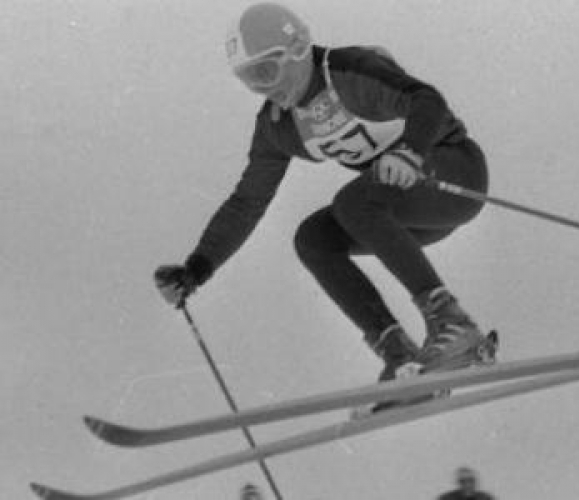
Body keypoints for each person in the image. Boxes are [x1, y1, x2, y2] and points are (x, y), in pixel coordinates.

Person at [155, 2, 495, 388]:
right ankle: (401, 357)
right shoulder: (278, 126)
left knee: (352, 203)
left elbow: (426, 100)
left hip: (453, 174)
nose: (266, 89)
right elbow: (248, 201)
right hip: (401, 212)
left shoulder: (347, 74)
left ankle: (453, 325)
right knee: (313, 239)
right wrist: (198, 268)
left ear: (298, 48)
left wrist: (409, 151)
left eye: (266, 71)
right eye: (251, 81)